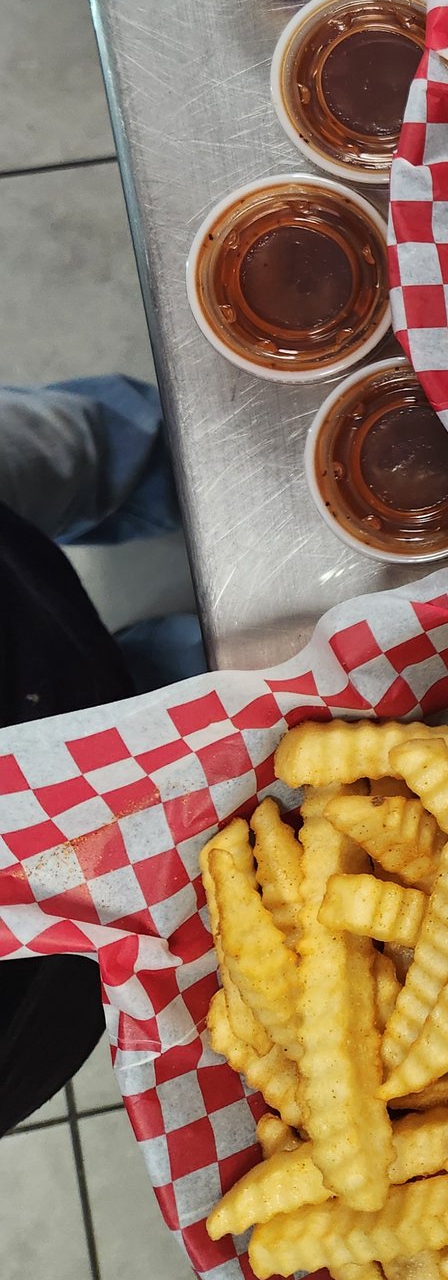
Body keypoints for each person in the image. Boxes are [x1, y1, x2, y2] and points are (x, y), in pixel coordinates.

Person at [0, 374, 203, 1132]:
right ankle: (186, 662)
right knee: (173, 717)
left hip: (19, 602)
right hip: (49, 951)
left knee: (90, 447)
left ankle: (181, 454)